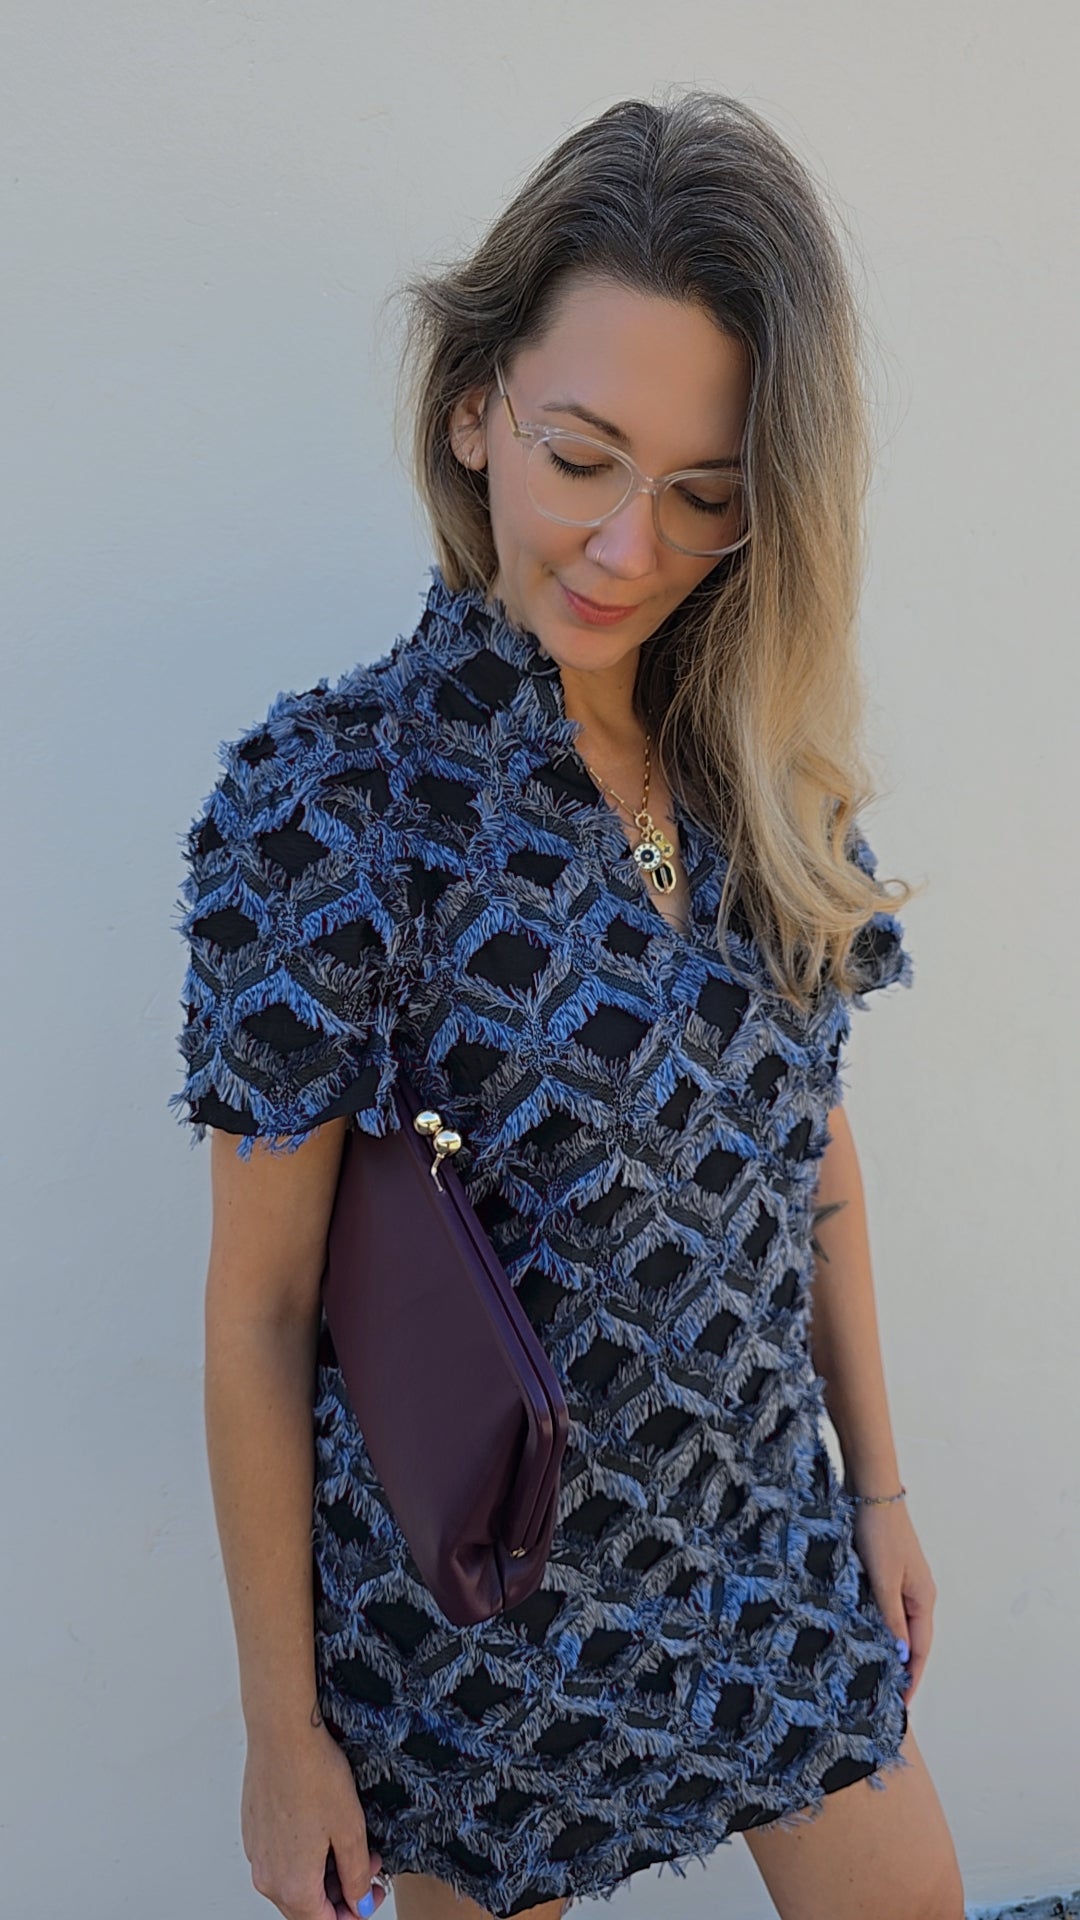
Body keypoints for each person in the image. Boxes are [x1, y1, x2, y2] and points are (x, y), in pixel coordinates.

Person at [170, 88, 965, 1920]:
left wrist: (882, 1499)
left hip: (763, 1576)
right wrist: (281, 1736)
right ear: (474, 404)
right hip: (475, 1642)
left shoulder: (761, 769)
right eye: (583, 455)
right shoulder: (329, 806)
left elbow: (808, 1152)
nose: (627, 548)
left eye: (705, 496)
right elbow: (265, 1304)